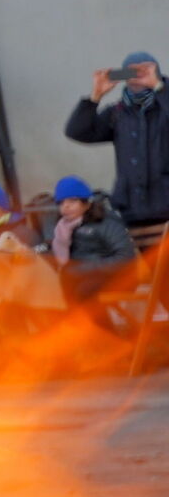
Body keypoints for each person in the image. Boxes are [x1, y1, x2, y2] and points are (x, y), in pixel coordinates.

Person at [66, 54, 169, 251]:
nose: (138, 75)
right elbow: (77, 131)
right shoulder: (117, 112)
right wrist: (95, 96)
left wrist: (160, 86)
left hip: (165, 208)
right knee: (152, 278)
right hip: (132, 212)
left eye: (144, 70)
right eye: (131, 70)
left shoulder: (164, 108)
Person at [49, 177, 139, 310]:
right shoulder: (64, 228)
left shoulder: (106, 223)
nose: (66, 207)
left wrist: (86, 269)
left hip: (117, 277)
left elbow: (124, 257)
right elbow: (61, 256)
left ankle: (103, 330)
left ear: (87, 203)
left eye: (72, 201)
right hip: (82, 278)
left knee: (84, 292)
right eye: (61, 203)